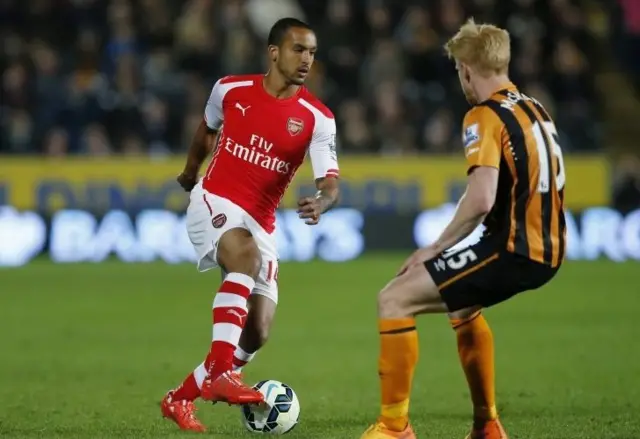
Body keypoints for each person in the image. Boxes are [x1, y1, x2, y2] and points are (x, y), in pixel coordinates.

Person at [360, 19, 566, 439]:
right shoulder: (535, 108)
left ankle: (394, 428)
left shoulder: (483, 116)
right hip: (547, 246)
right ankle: (487, 426)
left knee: (394, 299)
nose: (461, 80)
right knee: (462, 306)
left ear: (468, 69)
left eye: (459, 71)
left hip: (514, 249)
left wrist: (432, 248)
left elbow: (481, 198)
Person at [160, 17, 340, 432]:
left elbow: (330, 181)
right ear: (274, 52)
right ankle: (222, 374)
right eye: (299, 49)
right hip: (214, 199)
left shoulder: (317, 118)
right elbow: (207, 131)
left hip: (261, 220)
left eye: (312, 52)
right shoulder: (230, 89)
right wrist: (190, 173)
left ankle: (180, 398)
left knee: (257, 329)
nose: (307, 59)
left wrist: (323, 202)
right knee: (244, 255)